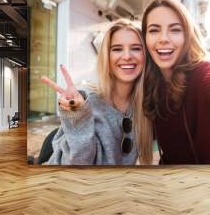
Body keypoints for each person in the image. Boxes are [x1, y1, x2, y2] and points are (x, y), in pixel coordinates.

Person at [141, 0, 210, 164]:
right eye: (154, 30)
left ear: (187, 36)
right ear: (145, 39)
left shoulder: (202, 75)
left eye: (175, 30)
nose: (163, 38)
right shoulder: (151, 85)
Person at [41, 19, 153, 165]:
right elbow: (76, 166)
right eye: (117, 49)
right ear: (107, 56)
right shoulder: (87, 101)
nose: (127, 56)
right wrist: (78, 116)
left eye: (136, 48)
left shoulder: (145, 106)